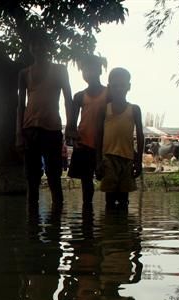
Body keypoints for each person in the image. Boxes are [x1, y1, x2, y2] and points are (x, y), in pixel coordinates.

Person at [17, 30, 73, 206]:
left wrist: (71, 125)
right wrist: (18, 134)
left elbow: (68, 99)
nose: (39, 47)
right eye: (35, 44)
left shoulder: (60, 70)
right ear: (31, 48)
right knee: (32, 179)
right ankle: (32, 226)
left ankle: (55, 225)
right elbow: (20, 104)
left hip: (52, 129)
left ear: (49, 47)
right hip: (30, 129)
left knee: (54, 176)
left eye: (43, 44)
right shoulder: (24, 73)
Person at [95, 67, 144, 209]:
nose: (118, 89)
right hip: (108, 158)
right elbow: (98, 135)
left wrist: (138, 160)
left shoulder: (134, 109)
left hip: (127, 158)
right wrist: (98, 161)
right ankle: (111, 229)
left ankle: (121, 229)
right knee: (109, 199)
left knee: (124, 198)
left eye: (122, 85)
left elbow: (140, 136)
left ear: (128, 87)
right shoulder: (104, 109)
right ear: (109, 87)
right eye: (115, 86)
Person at [67, 54, 108, 207]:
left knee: (108, 181)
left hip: (105, 145)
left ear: (99, 70)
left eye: (91, 69)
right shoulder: (79, 96)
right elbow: (71, 125)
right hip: (84, 143)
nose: (87, 74)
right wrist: (74, 138)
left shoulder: (109, 93)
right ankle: (87, 215)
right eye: (84, 71)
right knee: (86, 184)